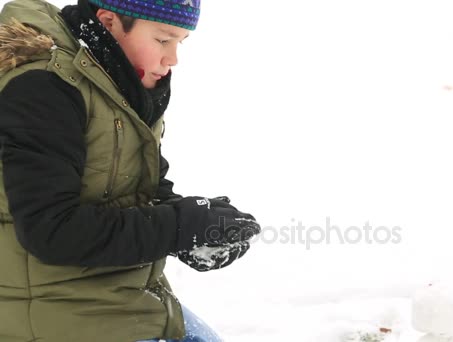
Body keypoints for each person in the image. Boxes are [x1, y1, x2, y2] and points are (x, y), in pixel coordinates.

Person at [0, 0, 261, 341]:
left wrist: (199, 229)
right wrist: (178, 226)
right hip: (51, 312)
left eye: (179, 42)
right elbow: (51, 232)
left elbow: (137, 185)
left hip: (115, 295)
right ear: (109, 22)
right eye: (163, 40)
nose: (173, 59)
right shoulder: (44, 88)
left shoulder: (115, 76)